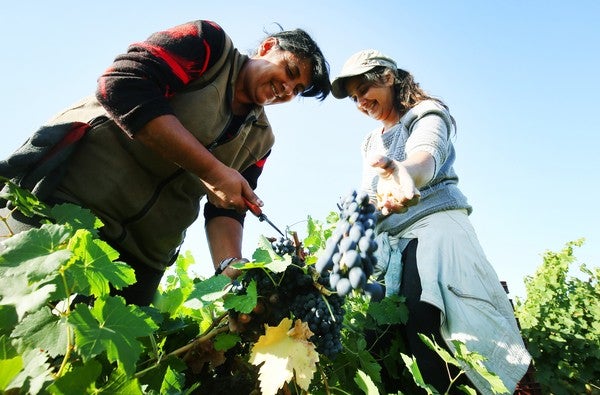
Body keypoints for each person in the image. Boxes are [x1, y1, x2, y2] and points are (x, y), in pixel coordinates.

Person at [0, 20, 330, 306]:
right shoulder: (209, 46)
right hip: (67, 205)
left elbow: (226, 207)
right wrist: (213, 170)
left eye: (297, 89)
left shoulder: (262, 140)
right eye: (289, 71)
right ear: (267, 47)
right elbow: (121, 84)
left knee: (91, 365)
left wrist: (232, 268)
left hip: (140, 259)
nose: (287, 88)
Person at [330, 50, 531, 394]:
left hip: (436, 233)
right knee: (384, 341)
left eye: (364, 88)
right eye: (354, 98)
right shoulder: (370, 141)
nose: (361, 101)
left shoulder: (426, 113)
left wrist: (403, 173)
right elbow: (369, 197)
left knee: (432, 334)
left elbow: (426, 156)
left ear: (388, 77)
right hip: (393, 247)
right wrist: (354, 225)